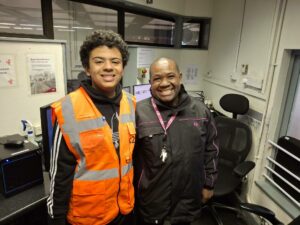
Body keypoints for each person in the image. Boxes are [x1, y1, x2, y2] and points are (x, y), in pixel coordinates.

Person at [47, 30, 136, 225]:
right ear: (87, 68)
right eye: (99, 61)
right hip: (88, 216)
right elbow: (60, 173)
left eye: (115, 61)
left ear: (123, 67)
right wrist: (56, 219)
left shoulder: (131, 103)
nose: (108, 67)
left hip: (124, 210)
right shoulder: (68, 109)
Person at [134, 57, 219, 225]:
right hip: (153, 198)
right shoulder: (138, 112)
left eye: (170, 76)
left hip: (189, 199)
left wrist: (209, 184)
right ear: (150, 82)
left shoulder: (201, 111)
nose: (164, 83)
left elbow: (212, 149)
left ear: (180, 77)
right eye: (157, 78)